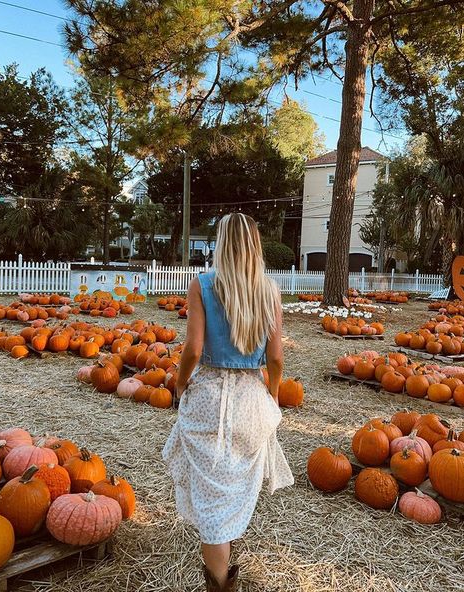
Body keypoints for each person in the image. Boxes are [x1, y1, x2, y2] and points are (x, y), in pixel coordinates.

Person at [163, 213, 294, 592]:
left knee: (212, 498)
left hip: (210, 397)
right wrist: (272, 394)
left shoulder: (202, 285)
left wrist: (180, 383)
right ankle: (225, 566)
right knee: (230, 490)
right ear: (255, 245)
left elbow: (193, 349)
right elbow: (276, 359)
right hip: (251, 397)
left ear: (221, 243)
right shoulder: (269, 290)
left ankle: (220, 584)